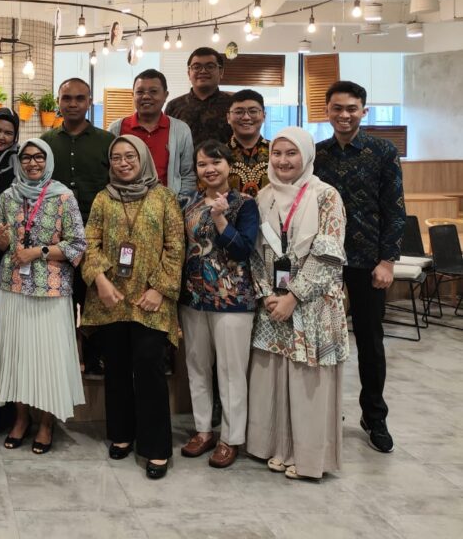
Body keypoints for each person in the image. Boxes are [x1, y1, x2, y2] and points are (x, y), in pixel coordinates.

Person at [248, 127, 350, 481]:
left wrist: (293, 296)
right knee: (274, 379)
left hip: (313, 305)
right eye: (277, 153)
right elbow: (255, 253)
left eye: (291, 153)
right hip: (273, 305)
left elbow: (329, 256)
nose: (283, 161)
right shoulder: (263, 197)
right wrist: (267, 294)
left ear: (306, 155)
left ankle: (307, 457)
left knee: (308, 384)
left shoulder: (326, 196)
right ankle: (277, 448)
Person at [81, 136, 184, 480]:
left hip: (150, 301)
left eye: (130, 156)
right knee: (117, 368)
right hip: (111, 298)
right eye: (116, 157)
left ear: (143, 159)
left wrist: (159, 289)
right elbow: (89, 243)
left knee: (149, 367)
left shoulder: (164, 197)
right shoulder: (103, 198)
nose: (123, 163)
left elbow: (175, 247)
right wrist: (99, 280)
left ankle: (156, 447)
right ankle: (122, 433)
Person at [314, 81, 404, 454]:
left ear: (363, 111)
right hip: (324, 260)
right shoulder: (317, 154)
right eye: (337, 108)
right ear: (327, 111)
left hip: (368, 261)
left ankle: (375, 416)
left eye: (352, 108)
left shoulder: (383, 151)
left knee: (369, 340)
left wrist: (387, 260)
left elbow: (395, 209)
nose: (344, 114)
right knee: (323, 338)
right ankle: (325, 410)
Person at [0, 139, 86, 454]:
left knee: (48, 359)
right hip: (12, 286)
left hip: (51, 289)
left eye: (39, 157)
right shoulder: (8, 196)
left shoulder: (63, 196)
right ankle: (21, 418)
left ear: (49, 160)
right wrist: (0, 240)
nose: (32, 163)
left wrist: (38, 252)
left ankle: (46, 423)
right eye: (26, 157)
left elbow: (77, 245)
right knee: (17, 356)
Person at [178, 139, 259, 469]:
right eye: (202, 164)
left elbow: (243, 250)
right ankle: (203, 430)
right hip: (193, 298)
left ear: (229, 165)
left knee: (230, 371)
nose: (209, 169)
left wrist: (221, 219)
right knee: (197, 366)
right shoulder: (188, 202)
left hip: (232, 300)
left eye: (216, 162)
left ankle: (231, 438)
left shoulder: (245, 204)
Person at [40, 77, 114, 341]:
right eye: (67, 98)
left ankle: (94, 357)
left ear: (89, 102)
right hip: (56, 239)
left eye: (80, 98)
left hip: (98, 237)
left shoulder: (107, 141)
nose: (73, 104)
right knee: (60, 305)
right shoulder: (46, 142)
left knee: (97, 303)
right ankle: (64, 356)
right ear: (58, 102)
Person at [108, 69, 196, 203]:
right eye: (140, 92)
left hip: (167, 206)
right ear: (133, 95)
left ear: (165, 95)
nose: (146, 96)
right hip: (124, 206)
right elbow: (109, 170)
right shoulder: (116, 128)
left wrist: (178, 205)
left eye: (153, 91)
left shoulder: (180, 130)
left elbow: (187, 174)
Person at [166, 47, 233, 146]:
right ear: (189, 73)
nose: (203, 71)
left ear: (221, 72)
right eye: (196, 67)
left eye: (210, 66)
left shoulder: (233, 105)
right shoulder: (174, 106)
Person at [226, 89, 270, 197]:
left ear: (264, 116)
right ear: (228, 118)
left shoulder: (277, 152)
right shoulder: (218, 155)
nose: (246, 117)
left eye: (253, 111)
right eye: (238, 112)